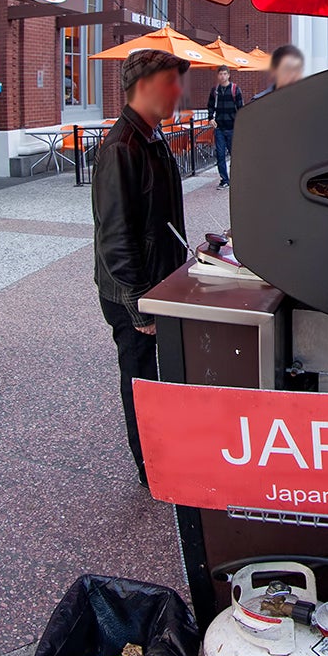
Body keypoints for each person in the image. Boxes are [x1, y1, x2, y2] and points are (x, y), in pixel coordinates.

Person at [93, 49, 190, 486]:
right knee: (140, 379)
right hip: (134, 293)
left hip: (158, 284)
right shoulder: (121, 148)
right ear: (145, 86)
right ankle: (149, 467)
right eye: (171, 81)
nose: (178, 91)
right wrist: (139, 306)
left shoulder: (151, 137)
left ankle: (165, 451)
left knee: (159, 378)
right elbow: (114, 238)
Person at [206, 65, 244, 191]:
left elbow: (241, 108)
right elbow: (210, 106)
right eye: (220, 74)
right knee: (220, 155)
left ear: (228, 75)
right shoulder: (215, 91)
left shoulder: (235, 89)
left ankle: (237, 178)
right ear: (218, 75)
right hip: (219, 128)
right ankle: (224, 180)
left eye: (224, 74)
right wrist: (210, 118)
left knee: (236, 155)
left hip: (233, 128)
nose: (222, 76)